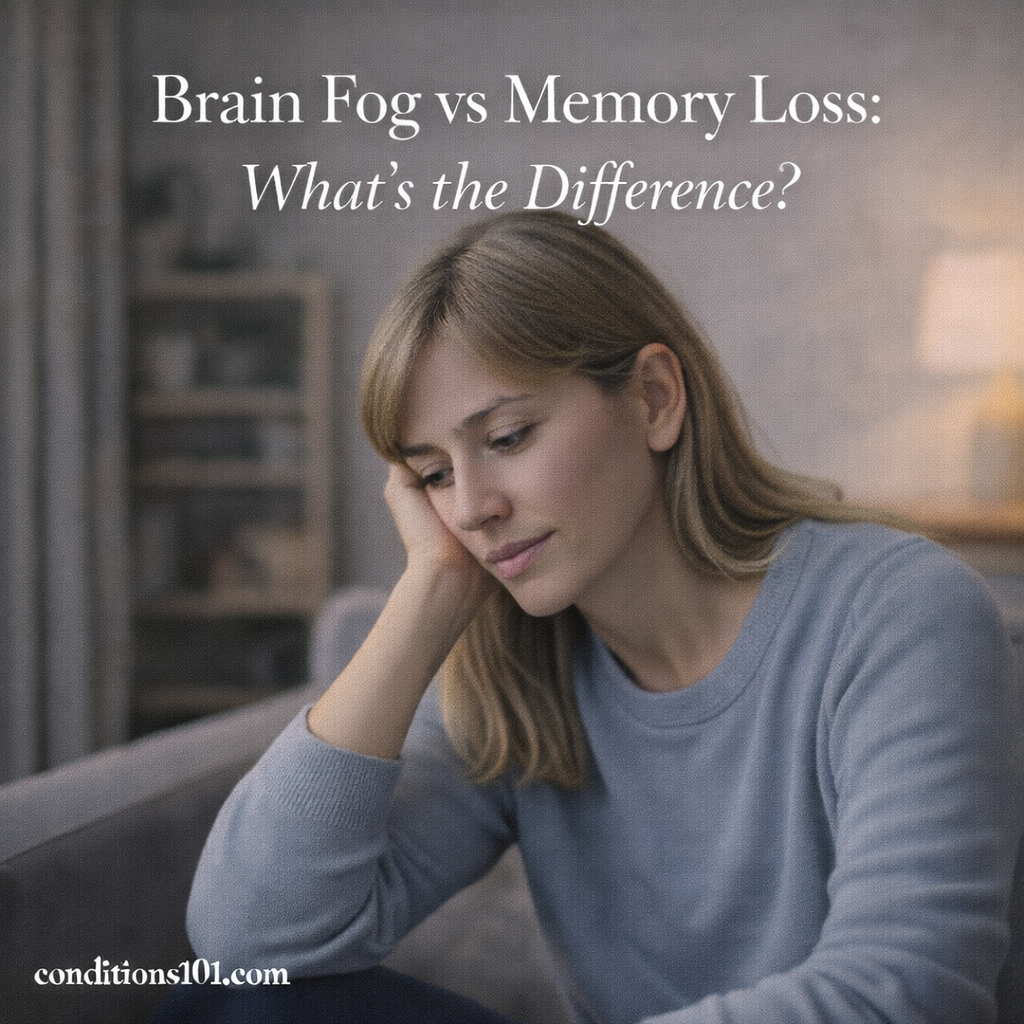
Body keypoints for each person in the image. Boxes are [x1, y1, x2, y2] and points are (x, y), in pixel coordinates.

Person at [161, 211, 1023, 1024]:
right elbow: (251, 943)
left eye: (506, 439)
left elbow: (906, 993)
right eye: (431, 475)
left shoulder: (898, 610)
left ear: (653, 397)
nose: (471, 508)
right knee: (236, 1005)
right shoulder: (512, 669)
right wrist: (428, 591)